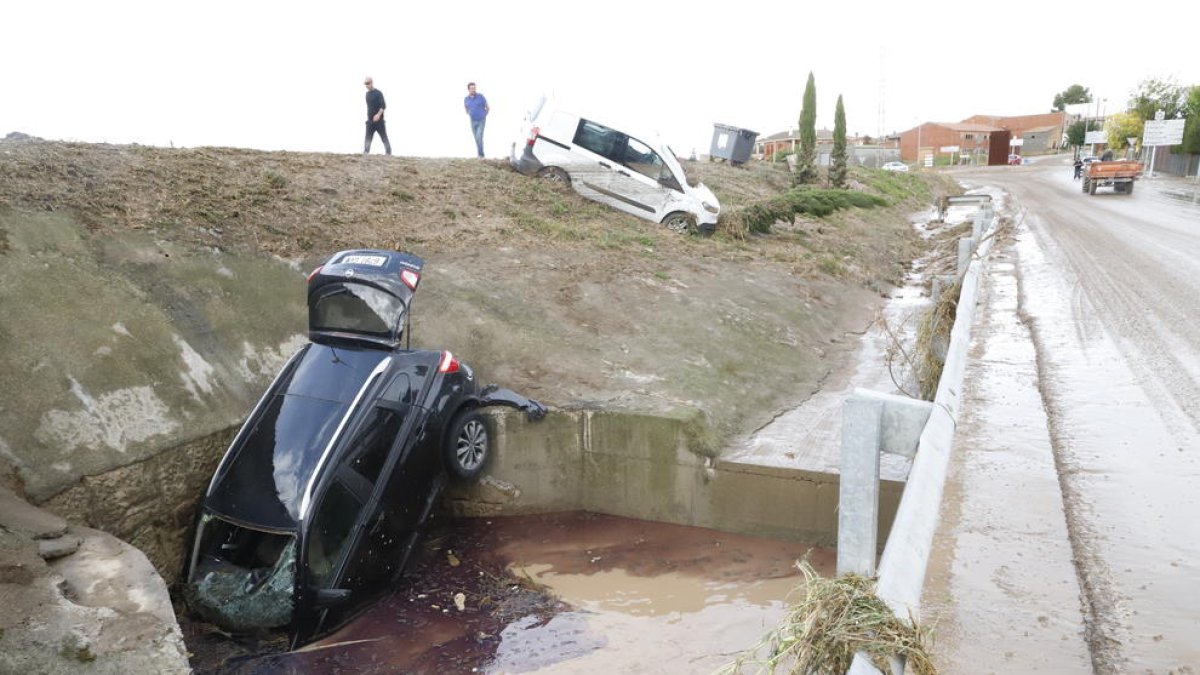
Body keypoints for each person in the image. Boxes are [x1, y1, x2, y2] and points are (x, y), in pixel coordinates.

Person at [363, 76, 391, 155]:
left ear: (372, 83)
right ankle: (365, 153)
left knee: (384, 138)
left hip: (379, 122)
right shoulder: (367, 94)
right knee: (368, 138)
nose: (366, 85)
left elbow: (383, 106)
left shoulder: (378, 93)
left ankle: (388, 154)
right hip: (370, 122)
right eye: (365, 84)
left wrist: (378, 115)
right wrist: (369, 119)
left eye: (368, 83)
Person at [463, 82, 489, 158]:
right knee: (477, 139)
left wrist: (484, 115)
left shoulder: (480, 96)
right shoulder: (466, 99)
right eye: (472, 88)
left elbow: (488, 107)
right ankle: (480, 154)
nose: (473, 90)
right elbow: (466, 107)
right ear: (468, 89)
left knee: (479, 137)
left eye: (474, 88)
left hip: (481, 120)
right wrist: (469, 113)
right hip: (472, 121)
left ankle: (481, 155)